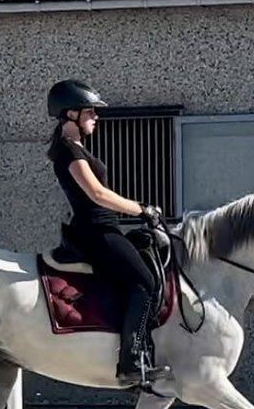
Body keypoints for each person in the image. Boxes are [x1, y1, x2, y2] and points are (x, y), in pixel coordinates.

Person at [45, 78, 169, 387]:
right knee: (146, 281)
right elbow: (98, 194)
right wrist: (142, 209)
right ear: (70, 113)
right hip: (95, 229)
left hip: (105, 225)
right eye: (90, 112)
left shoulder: (76, 147)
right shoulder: (68, 151)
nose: (96, 118)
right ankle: (131, 361)